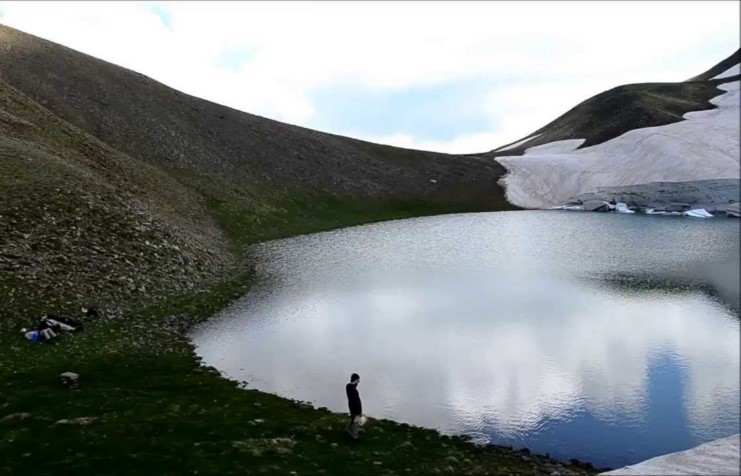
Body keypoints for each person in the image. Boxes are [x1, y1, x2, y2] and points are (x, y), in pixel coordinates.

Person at [345, 372, 362, 440]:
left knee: (353, 419)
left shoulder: (349, 387)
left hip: (353, 406)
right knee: (356, 421)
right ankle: (354, 435)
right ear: (355, 380)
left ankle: (348, 429)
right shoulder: (351, 388)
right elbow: (355, 400)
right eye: (358, 380)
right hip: (355, 407)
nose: (358, 382)